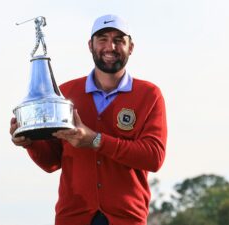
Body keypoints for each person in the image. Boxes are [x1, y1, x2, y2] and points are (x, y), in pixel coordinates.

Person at [10, 14, 168, 225]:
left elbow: (153, 157)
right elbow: (52, 162)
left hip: (126, 218)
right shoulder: (65, 94)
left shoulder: (149, 94)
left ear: (131, 47)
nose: (110, 46)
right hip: (72, 217)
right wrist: (29, 143)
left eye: (119, 40)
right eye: (102, 39)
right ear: (90, 45)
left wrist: (95, 140)